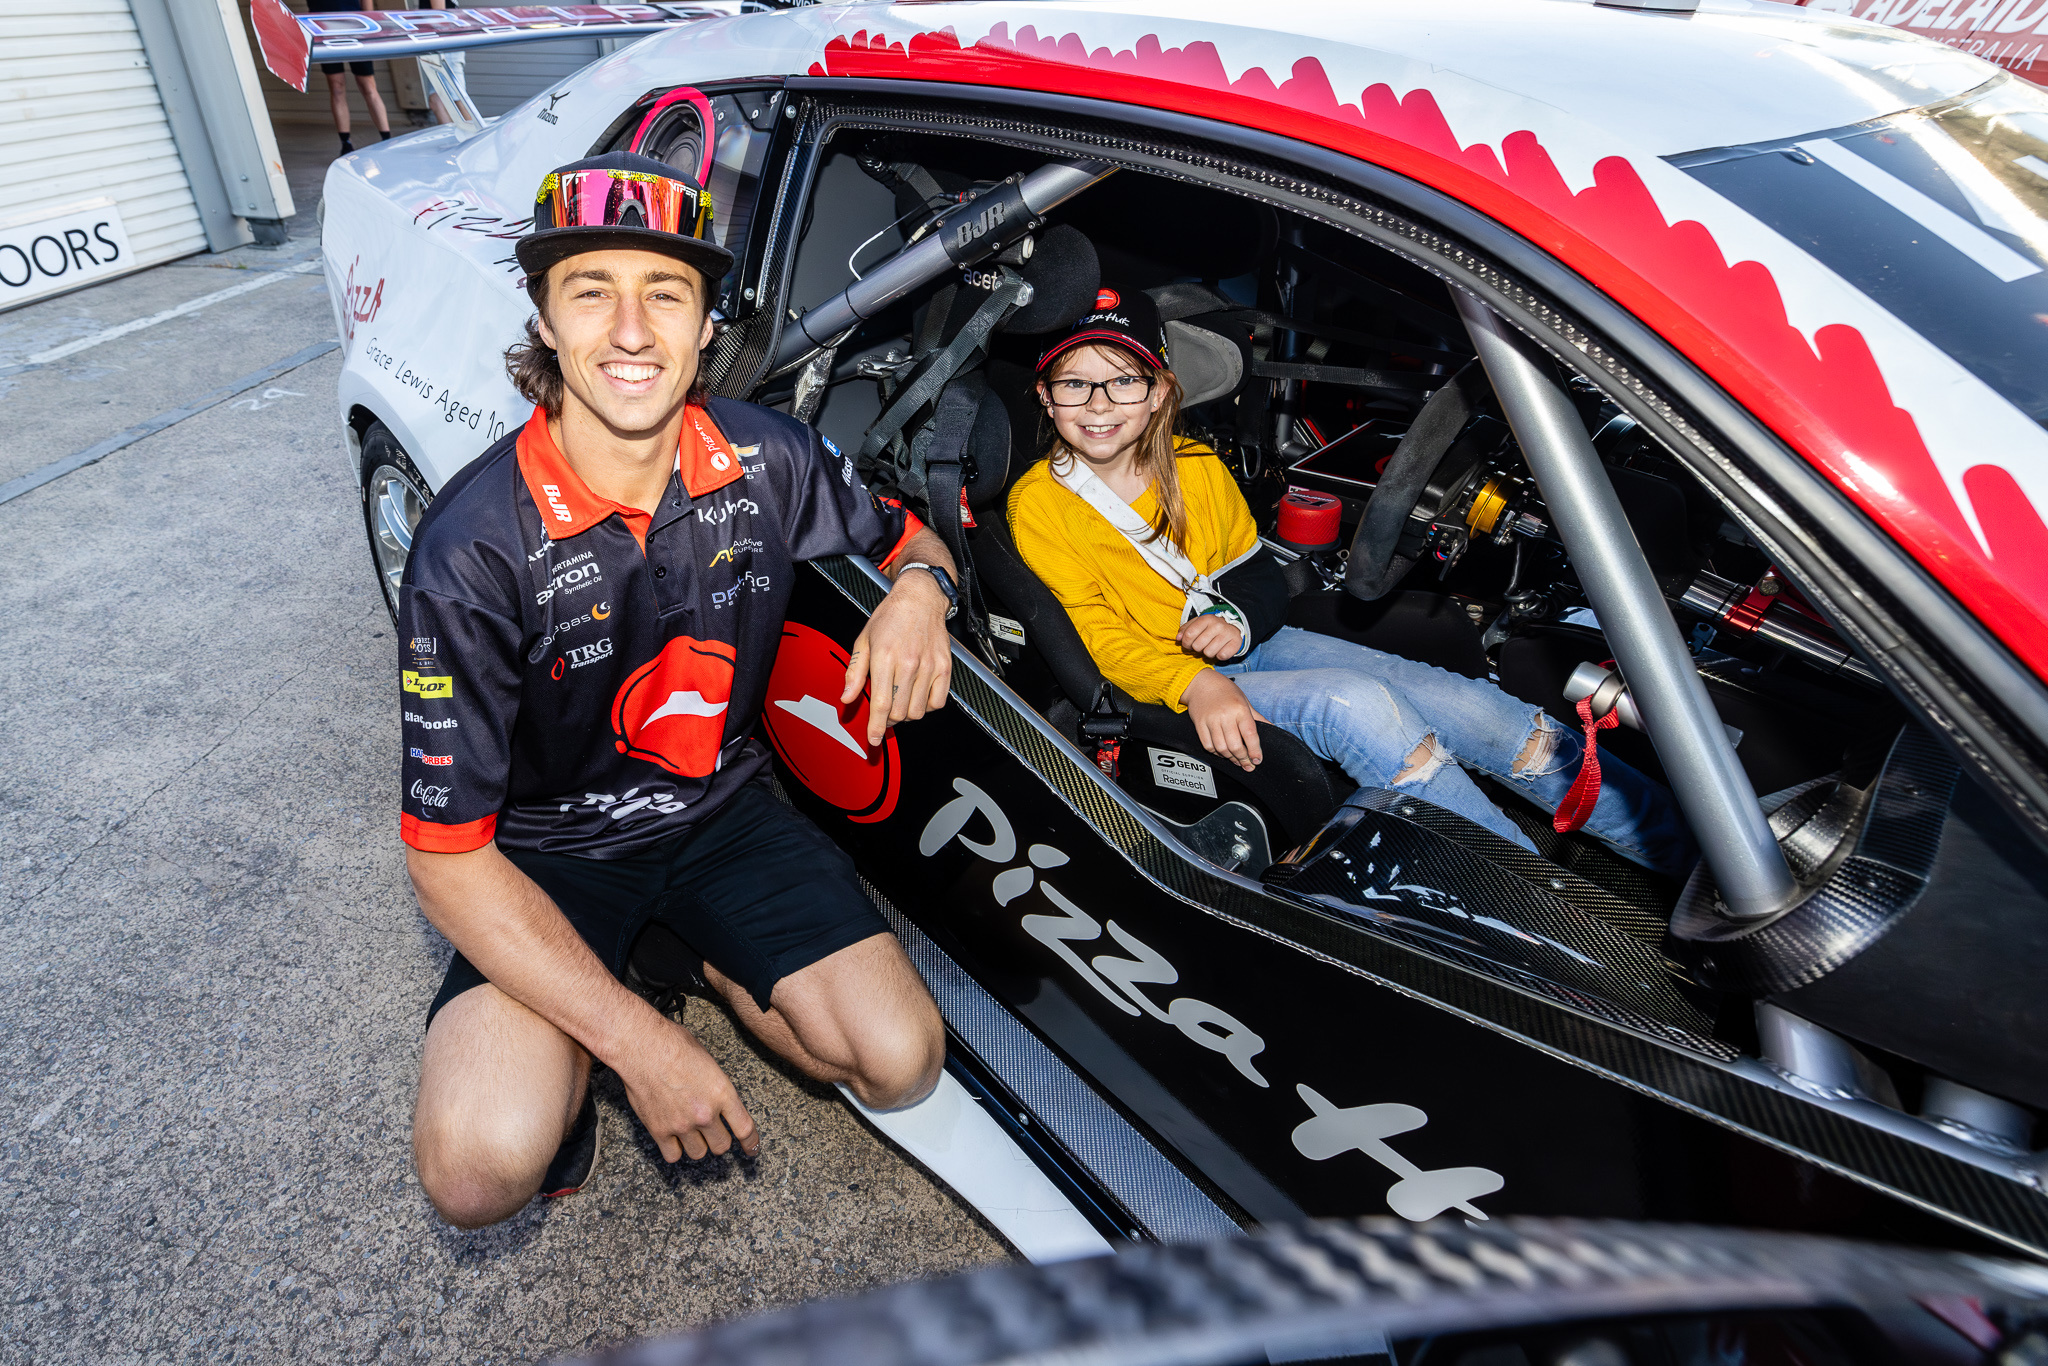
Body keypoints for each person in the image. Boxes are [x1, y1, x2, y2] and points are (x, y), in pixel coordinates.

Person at [398, 152, 961, 1229]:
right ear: (546, 322)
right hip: (542, 853)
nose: (628, 329)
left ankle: (686, 945)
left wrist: (919, 591)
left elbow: (912, 538)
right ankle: (616, 994)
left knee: (901, 1064)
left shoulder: (770, 454)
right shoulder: (469, 547)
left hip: (721, 812)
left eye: (665, 293)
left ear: (707, 326)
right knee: (476, 1168)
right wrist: (639, 1045)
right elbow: (444, 860)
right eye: (590, 291)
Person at [1006, 291, 1696, 878]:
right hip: (1162, 679)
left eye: (1123, 381)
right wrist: (1196, 684)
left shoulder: (1193, 462)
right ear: (1044, 394)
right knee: (1356, 704)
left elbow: (1249, 569)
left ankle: (1691, 859)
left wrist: (1240, 620)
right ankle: (1533, 901)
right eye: (1074, 383)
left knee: (1478, 711)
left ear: (1159, 392)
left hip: (1252, 647)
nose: (1099, 403)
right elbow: (1092, 634)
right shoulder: (1040, 503)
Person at [310, 0, 391, 155]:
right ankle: (345, 143)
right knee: (337, 87)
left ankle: (387, 138)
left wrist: (370, 23)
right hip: (323, 29)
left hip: (356, 27)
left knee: (368, 85)